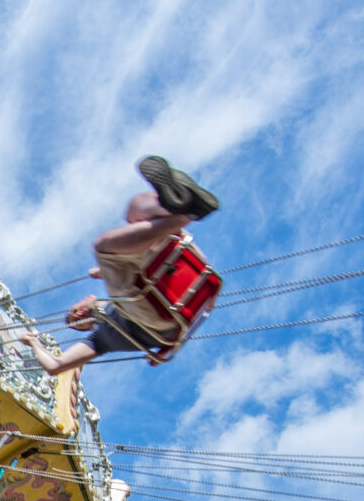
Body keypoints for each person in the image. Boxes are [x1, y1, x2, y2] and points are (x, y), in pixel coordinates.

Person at [21, 158, 223, 374]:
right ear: (88, 327)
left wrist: (100, 275)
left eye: (73, 312)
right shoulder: (100, 339)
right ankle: (184, 216)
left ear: (86, 298)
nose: (78, 316)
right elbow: (55, 366)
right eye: (78, 322)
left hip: (169, 278)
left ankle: (179, 205)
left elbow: (114, 278)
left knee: (134, 213)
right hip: (154, 320)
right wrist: (33, 343)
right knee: (102, 248)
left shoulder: (114, 287)